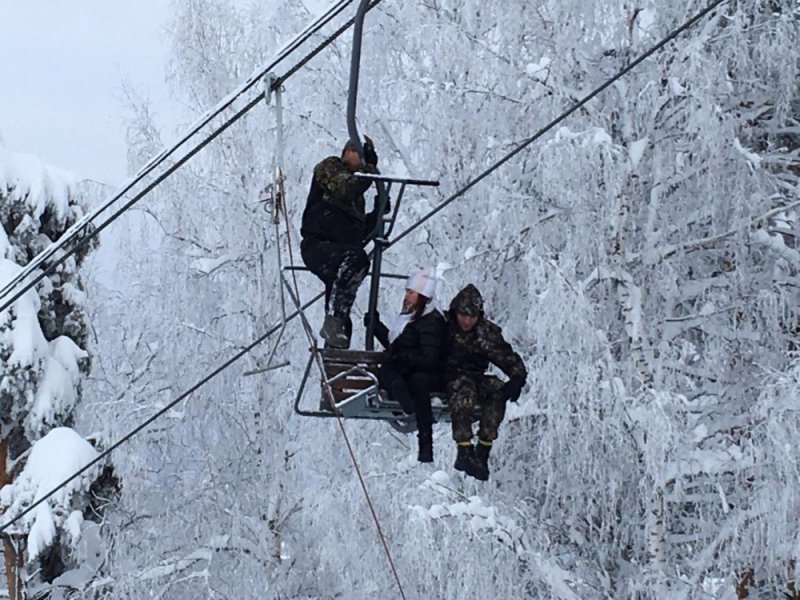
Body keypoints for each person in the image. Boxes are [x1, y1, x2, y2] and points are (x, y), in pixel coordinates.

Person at [301, 136, 383, 349]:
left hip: (341, 250)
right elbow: (344, 189)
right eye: (360, 155)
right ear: (347, 152)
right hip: (319, 245)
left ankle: (336, 338)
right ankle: (335, 322)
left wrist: (377, 214)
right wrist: (370, 171)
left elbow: (358, 234)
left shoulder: (357, 196)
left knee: (348, 278)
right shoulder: (330, 168)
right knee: (355, 261)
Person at [445, 284, 527, 481]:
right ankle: (464, 448)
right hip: (446, 377)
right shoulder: (443, 328)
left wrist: (517, 378)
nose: (467, 321)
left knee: (496, 388)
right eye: (463, 315)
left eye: (472, 317)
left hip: (475, 376)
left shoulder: (485, 332)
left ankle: (483, 449)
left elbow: (505, 355)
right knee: (465, 388)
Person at [366, 268, 447, 463]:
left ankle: (413, 419)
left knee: (410, 380)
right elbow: (398, 346)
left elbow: (430, 357)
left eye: (411, 293)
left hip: (426, 374)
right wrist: (376, 327)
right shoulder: (411, 319)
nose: (406, 297)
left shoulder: (431, 322)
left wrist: (406, 359)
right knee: (387, 371)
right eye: (407, 292)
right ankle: (404, 402)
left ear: (422, 296)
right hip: (409, 370)